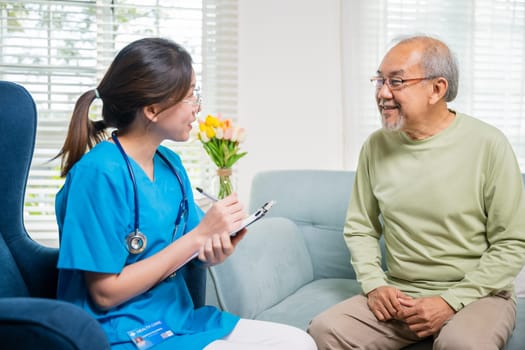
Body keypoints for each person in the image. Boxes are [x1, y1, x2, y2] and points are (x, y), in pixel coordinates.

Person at [56, 37, 316, 350]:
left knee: (298, 342)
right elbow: (104, 293)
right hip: (118, 333)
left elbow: (189, 249)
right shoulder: (98, 174)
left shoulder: (171, 164)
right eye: (190, 95)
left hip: (176, 320)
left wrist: (214, 248)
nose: (198, 107)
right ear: (153, 109)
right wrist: (197, 238)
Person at [307, 35, 525, 349]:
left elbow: (512, 244)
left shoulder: (489, 144)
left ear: (437, 89)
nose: (382, 93)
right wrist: (375, 286)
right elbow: (360, 228)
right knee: (326, 329)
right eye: (379, 80)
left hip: (478, 294)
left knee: (463, 345)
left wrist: (450, 301)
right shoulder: (376, 146)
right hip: (400, 294)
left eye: (396, 81)